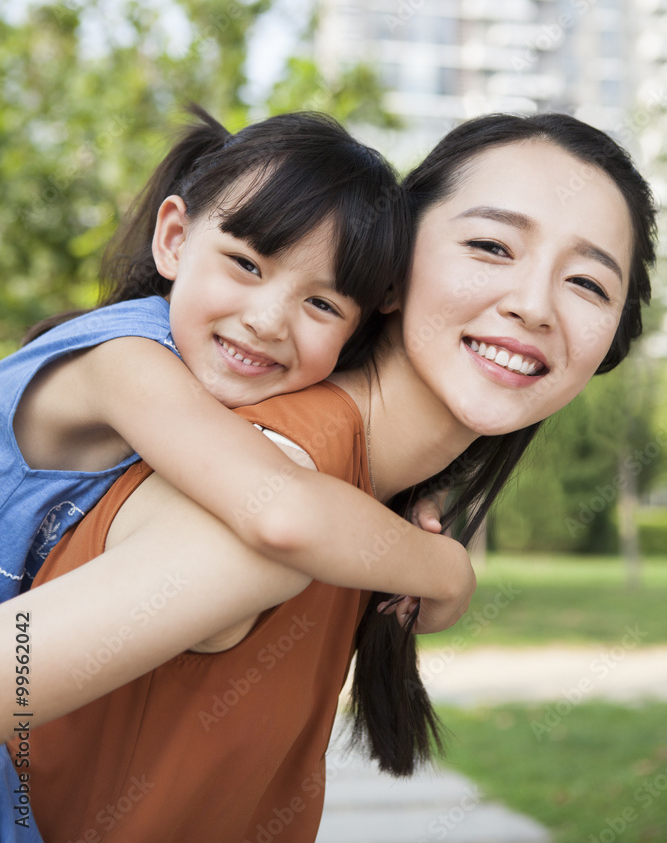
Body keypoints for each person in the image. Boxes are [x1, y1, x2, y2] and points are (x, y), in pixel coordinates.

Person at [2, 113, 657, 843]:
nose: (533, 305)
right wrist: (444, 571)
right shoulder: (272, 480)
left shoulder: (360, 505)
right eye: (489, 245)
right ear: (394, 270)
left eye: (587, 283)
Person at [1, 104, 471, 609]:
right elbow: (281, 512)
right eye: (246, 265)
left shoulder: (214, 377)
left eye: (321, 304)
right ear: (175, 240)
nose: (267, 321)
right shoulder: (125, 361)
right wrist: (448, 572)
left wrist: (401, 498)